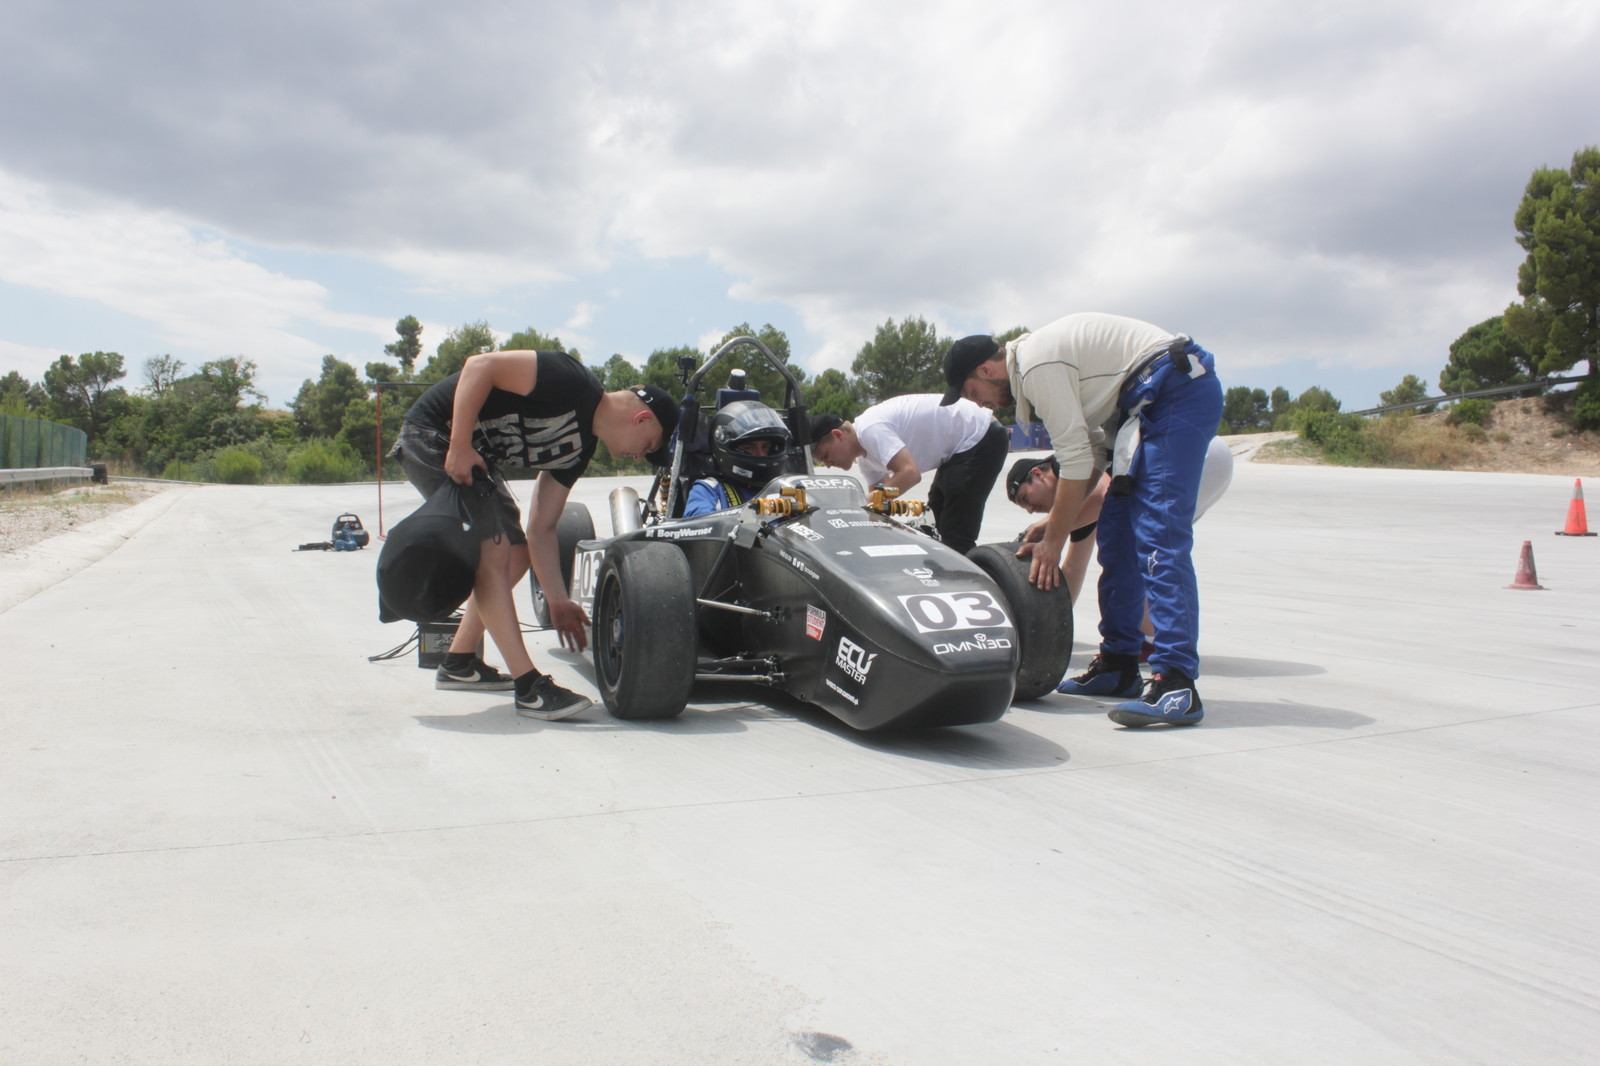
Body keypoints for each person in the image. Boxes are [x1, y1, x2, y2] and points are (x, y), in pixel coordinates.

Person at [943, 312, 1224, 728]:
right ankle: (1119, 664)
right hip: (1138, 407)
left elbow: (1073, 458)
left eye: (973, 392)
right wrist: (1060, 520)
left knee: (1159, 535)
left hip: (1174, 391)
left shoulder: (1036, 365)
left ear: (986, 370)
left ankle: (1176, 682)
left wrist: (1054, 539)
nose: (979, 403)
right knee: (1117, 533)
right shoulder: (1035, 371)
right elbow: (1092, 452)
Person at [395, 349, 677, 720]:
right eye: (650, 445)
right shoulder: (572, 380)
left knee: (516, 553)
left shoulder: (579, 451)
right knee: (493, 552)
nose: (640, 456)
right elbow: (480, 366)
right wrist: (459, 444)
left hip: (475, 458)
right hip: (435, 435)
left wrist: (558, 600)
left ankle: (459, 662)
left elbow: (541, 528)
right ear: (642, 418)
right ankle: (528, 686)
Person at [1007, 436, 1234, 605]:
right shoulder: (1078, 511)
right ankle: (1149, 640)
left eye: (1026, 499)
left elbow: (1102, 495)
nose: (1031, 510)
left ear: (1038, 474)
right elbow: (1074, 567)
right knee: (1145, 553)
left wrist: (1052, 526)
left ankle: (1151, 641)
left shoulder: (1066, 468)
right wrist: (1053, 620)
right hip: (1206, 459)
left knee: (1143, 555)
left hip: (1193, 454)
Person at [809, 394, 1007, 555]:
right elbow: (878, 504)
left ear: (838, 435)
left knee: (955, 536)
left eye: (825, 456)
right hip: (960, 448)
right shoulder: (864, 460)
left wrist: (856, 504)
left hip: (980, 434)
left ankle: (965, 582)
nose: (827, 465)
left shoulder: (870, 430)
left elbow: (910, 473)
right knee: (934, 524)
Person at [682, 400, 794, 517]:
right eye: (749, 447)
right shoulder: (709, 489)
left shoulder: (787, 489)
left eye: (765, 447)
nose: (760, 454)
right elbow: (698, 522)